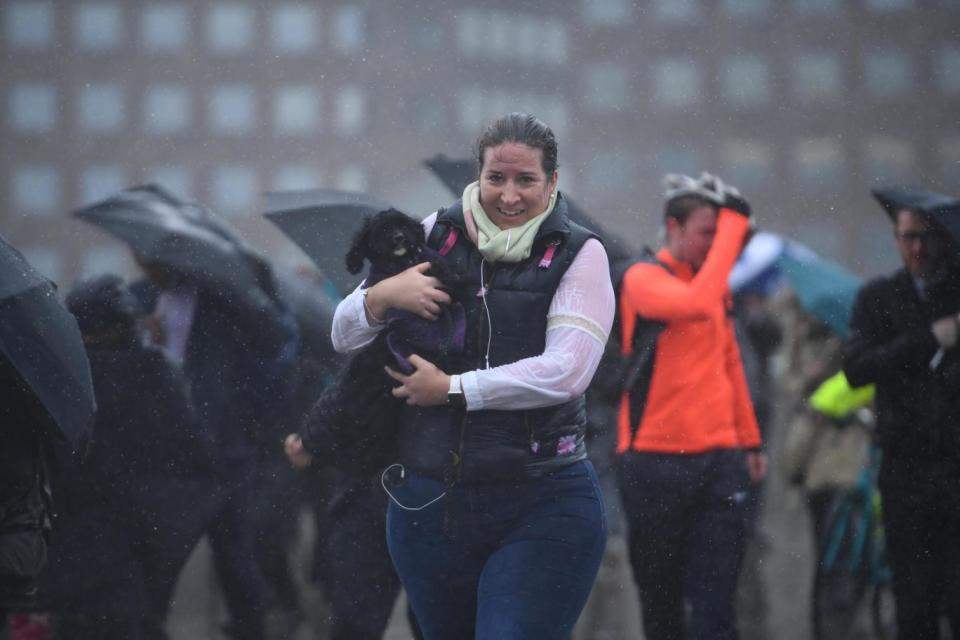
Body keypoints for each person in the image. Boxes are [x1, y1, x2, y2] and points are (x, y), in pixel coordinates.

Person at [289, 113, 613, 638]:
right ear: (477, 176)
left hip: (542, 497)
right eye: (496, 178)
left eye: (526, 180)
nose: (509, 195)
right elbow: (344, 336)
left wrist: (453, 390)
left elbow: (566, 372)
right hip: (427, 503)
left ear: (552, 182)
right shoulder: (427, 234)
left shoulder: (580, 254)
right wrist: (381, 297)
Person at [614, 172, 766, 640]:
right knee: (662, 607)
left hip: (720, 464)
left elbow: (731, 367)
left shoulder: (714, 286)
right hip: (653, 465)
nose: (718, 244)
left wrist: (751, 440)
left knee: (716, 607)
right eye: (708, 232)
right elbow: (694, 305)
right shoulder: (643, 278)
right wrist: (736, 224)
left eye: (722, 235)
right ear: (674, 228)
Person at [842, 191, 960, 639]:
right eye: (908, 237)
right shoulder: (879, 298)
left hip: (954, 465)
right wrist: (930, 338)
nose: (917, 249)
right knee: (914, 602)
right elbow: (857, 369)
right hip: (906, 466)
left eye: (926, 238)